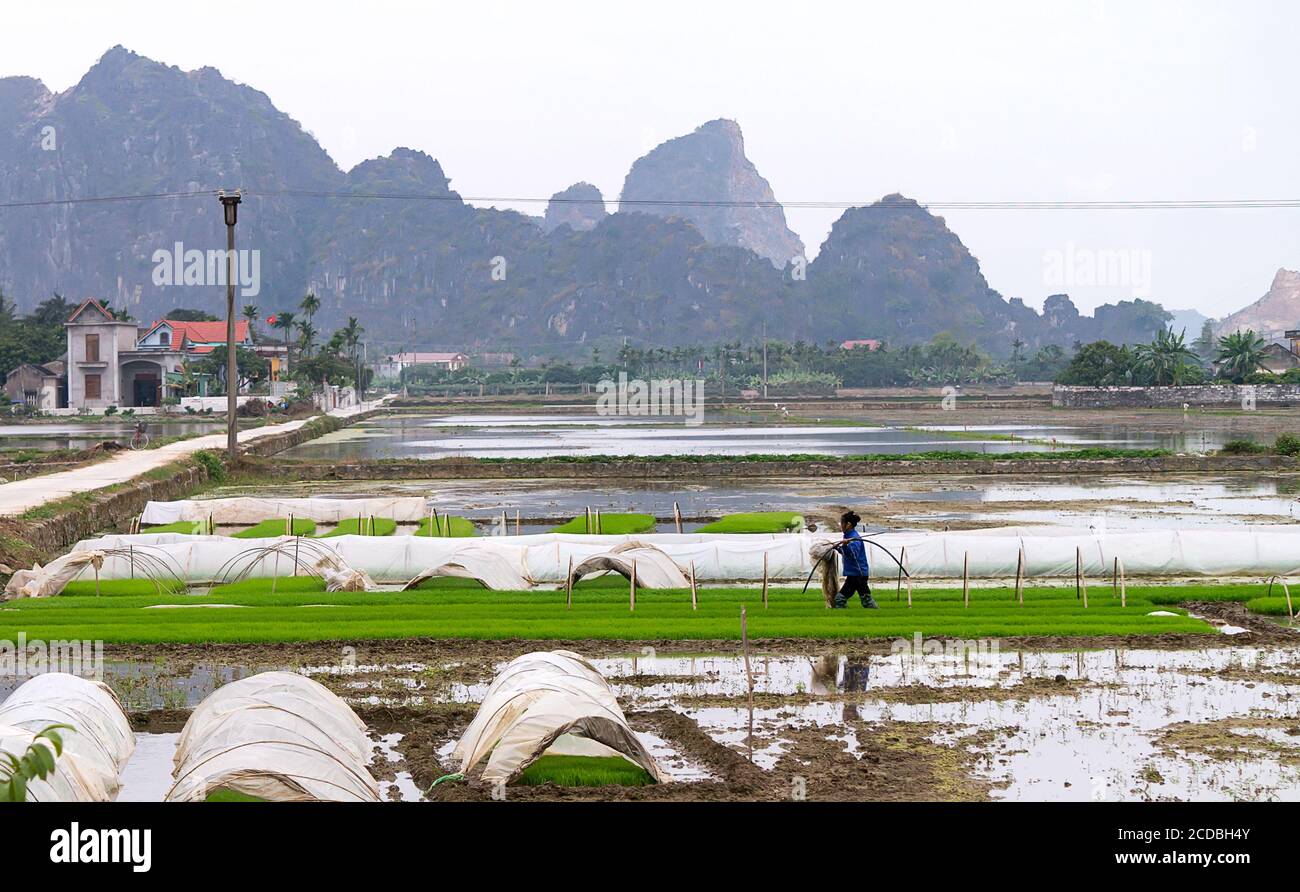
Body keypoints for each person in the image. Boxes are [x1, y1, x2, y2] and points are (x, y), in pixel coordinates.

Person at [833, 510, 878, 609]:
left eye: (842, 523)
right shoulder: (848, 537)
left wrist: (844, 546)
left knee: (841, 599)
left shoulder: (854, 538)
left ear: (848, 524)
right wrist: (838, 547)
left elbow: (853, 555)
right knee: (865, 599)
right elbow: (846, 553)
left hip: (858, 574)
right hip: (855, 574)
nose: (841, 526)